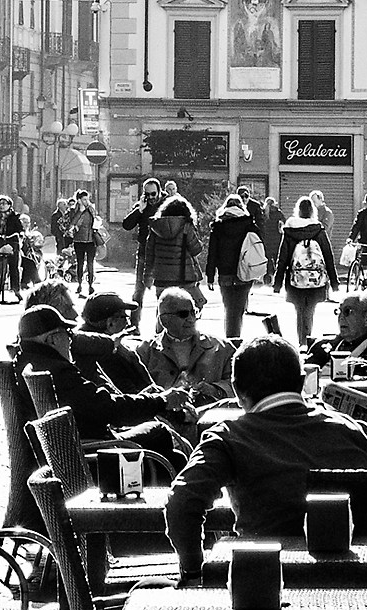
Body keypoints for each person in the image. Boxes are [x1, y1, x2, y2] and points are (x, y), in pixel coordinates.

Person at [164, 334, 367, 575]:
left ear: (237, 391)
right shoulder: (354, 430)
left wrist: (194, 572)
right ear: (302, 382)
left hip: (266, 579)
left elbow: (182, 503)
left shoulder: (227, 437)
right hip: (355, 576)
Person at [18, 299, 186, 467]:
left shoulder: (27, 363)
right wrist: (161, 400)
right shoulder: (58, 371)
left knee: (171, 453)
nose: (71, 340)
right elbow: (109, 408)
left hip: (72, 451)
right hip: (91, 455)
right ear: (52, 340)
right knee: (161, 434)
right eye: (67, 333)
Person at [135, 288, 234, 410]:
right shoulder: (145, 352)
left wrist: (216, 390)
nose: (191, 319)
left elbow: (242, 385)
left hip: (210, 415)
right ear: (164, 320)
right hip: (163, 416)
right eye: (183, 314)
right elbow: (135, 393)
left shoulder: (221, 348)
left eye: (194, 312)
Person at [272, 193, 337, 349]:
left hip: (295, 280)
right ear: (312, 211)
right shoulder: (319, 230)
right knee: (309, 311)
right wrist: (334, 282)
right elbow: (328, 256)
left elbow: (283, 259)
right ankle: (307, 340)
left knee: (300, 311)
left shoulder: (290, 230)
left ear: (298, 211)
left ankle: (302, 341)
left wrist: (277, 283)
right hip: (316, 280)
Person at [206, 189, 262, 341]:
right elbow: (257, 244)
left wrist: (210, 276)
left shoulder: (218, 226)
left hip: (225, 273)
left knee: (229, 308)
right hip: (244, 272)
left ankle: (230, 339)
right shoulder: (249, 224)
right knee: (239, 309)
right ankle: (235, 337)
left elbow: (212, 253)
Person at [144, 190, 203, 303]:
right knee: (186, 309)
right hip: (183, 277)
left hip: (161, 278)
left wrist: (147, 276)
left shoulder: (156, 228)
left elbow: (149, 254)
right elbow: (196, 250)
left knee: (164, 308)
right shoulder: (186, 226)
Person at [121, 178, 164, 316]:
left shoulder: (167, 204)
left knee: (162, 292)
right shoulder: (142, 206)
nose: (151, 197)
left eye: (153, 194)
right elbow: (127, 225)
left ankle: (162, 324)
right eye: (147, 194)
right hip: (144, 252)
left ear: (159, 191)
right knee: (139, 290)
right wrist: (139, 210)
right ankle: (134, 322)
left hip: (162, 253)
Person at [0, 194, 23, 303]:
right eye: (0, 203)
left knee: (14, 266)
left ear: (9, 205)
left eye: (4, 203)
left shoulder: (14, 216)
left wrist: (21, 233)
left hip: (11, 240)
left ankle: (16, 289)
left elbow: (20, 228)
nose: (2, 206)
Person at [69, 185, 101, 292]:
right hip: (79, 240)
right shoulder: (74, 210)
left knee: (90, 263)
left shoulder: (90, 209)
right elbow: (72, 223)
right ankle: (79, 283)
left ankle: (90, 284)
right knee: (80, 262)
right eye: (84, 199)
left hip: (91, 240)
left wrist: (94, 214)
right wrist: (80, 211)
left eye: (87, 199)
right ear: (79, 200)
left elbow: (96, 219)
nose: (86, 201)